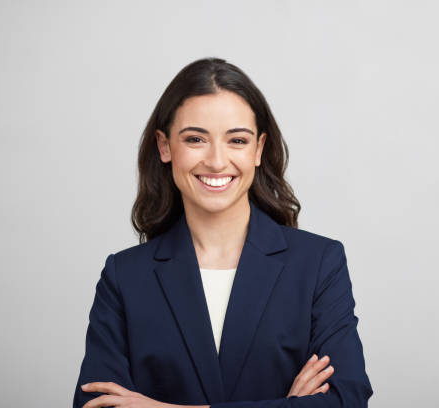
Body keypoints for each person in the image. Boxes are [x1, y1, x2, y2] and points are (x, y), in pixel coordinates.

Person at [73, 57, 373, 408]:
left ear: (259, 149)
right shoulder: (124, 277)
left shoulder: (319, 264)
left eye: (237, 141)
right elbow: (98, 405)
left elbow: (346, 401)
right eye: (196, 139)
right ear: (165, 146)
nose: (216, 161)